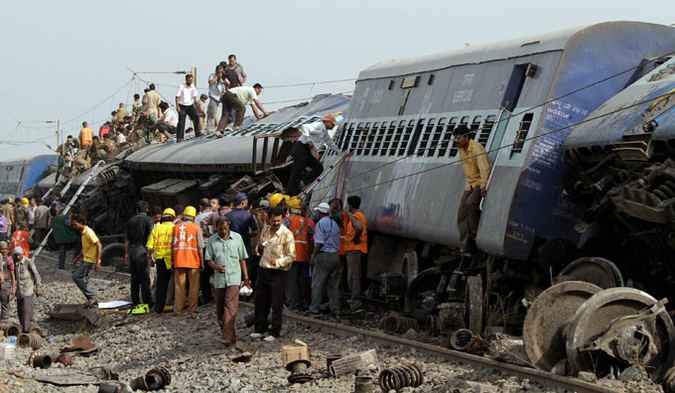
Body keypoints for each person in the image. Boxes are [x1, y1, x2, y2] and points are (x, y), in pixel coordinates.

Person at [251, 207, 296, 341]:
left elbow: (291, 256)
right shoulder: (265, 230)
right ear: (269, 219)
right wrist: (259, 248)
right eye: (274, 220)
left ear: (282, 219)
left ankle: (275, 331)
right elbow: (258, 249)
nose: (276, 223)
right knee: (260, 300)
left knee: (276, 303)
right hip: (263, 269)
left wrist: (278, 261)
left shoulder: (287, 234)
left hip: (278, 272)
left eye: (278, 221)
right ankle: (260, 328)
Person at [205, 216, 250, 345]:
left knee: (230, 307)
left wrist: (246, 278)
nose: (223, 231)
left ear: (228, 226)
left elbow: (242, 258)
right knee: (220, 311)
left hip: (234, 278)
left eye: (225, 228)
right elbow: (209, 259)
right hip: (219, 280)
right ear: (216, 228)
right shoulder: (212, 241)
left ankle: (226, 336)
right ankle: (231, 336)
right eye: (221, 229)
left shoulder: (237, 238)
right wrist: (216, 267)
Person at [453, 125, 491, 255]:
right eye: (455, 138)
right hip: (469, 183)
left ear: (467, 137)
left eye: (459, 138)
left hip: (479, 181)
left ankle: (474, 234)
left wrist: (483, 186)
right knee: (461, 213)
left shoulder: (476, 148)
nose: (456, 141)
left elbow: (484, 168)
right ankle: (465, 245)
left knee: (471, 204)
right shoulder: (461, 149)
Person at [285, 114, 345, 196]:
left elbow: (330, 143)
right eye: (332, 124)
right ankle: (288, 194)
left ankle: (304, 181)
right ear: (327, 122)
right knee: (297, 173)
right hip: (301, 149)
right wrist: (309, 140)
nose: (333, 126)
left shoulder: (324, 132)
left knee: (318, 167)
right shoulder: (318, 125)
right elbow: (304, 127)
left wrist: (341, 152)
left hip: (306, 151)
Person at [308, 202, 341, 316]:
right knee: (333, 285)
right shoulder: (335, 224)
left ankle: (314, 308)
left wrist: (313, 255)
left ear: (320, 212)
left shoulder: (320, 224)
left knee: (318, 283)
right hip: (335, 256)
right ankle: (335, 308)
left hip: (324, 256)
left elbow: (319, 243)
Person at [171, 206, 204, 316]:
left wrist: (172, 260)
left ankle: (178, 310)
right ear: (194, 218)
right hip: (193, 260)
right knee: (194, 286)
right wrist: (202, 262)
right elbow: (200, 247)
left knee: (179, 286)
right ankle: (191, 309)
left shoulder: (175, 228)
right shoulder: (196, 228)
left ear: (183, 216)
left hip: (179, 260)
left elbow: (172, 246)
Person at [125, 201, 155, 314]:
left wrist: (126, 254)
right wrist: (150, 253)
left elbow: (127, 240)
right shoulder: (148, 220)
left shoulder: (130, 221)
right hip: (143, 252)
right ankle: (147, 302)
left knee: (134, 279)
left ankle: (135, 302)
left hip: (132, 251)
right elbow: (150, 237)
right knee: (145, 279)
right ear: (147, 209)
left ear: (136, 210)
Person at [146, 208, 175, 314]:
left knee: (160, 284)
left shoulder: (156, 229)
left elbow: (149, 247)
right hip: (172, 259)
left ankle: (159, 307)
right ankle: (171, 303)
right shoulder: (175, 228)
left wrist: (150, 259)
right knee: (174, 283)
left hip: (160, 259)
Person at [283, 197, 309, 311]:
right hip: (302, 254)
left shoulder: (289, 220)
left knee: (291, 280)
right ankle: (300, 303)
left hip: (292, 254)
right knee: (299, 280)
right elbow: (310, 233)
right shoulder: (304, 220)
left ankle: (291, 303)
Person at [70, 213, 101, 308]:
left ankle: (92, 296)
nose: (74, 227)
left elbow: (99, 245)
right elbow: (85, 248)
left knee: (76, 276)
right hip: (86, 258)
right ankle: (93, 303)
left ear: (81, 222)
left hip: (90, 260)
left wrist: (97, 261)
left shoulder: (88, 232)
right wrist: (77, 258)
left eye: (75, 224)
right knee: (84, 280)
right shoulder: (83, 233)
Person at [344, 196, 368, 312]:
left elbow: (359, 227)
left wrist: (355, 239)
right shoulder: (361, 215)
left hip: (354, 249)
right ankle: (355, 300)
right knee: (355, 276)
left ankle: (355, 302)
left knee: (353, 277)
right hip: (358, 250)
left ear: (350, 205)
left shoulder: (354, 217)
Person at [13, 246, 41, 333]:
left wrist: (38, 287)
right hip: (19, 291)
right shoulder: (16, 264)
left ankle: (26, 331)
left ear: (22, 254)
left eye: (19, 255)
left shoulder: (28, 262)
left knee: (27, 310)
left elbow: (36, 275)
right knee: (20, 310)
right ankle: (22, 328)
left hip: (28, 289)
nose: (18, 257)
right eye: (16, 255)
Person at [175, 74, 202, 142]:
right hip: (182, 106)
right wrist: (177, 106)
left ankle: (198, 132)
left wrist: (197, 106)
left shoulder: (193, 86)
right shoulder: (182, 86)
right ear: (186, 80)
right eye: (189, 80)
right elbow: (177, 97)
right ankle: (179, 137)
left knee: (196, 117)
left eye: (191, 80)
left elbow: (194, 97)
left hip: (190, 105)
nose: (190, 81)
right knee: (181, 122)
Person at [207, 65, 226, 131]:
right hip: (213, 96)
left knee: (226, 111)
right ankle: (210, 129)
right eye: (219, 71)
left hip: (221, 96)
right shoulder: (212, 75)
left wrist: (223, 78)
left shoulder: (224, 76)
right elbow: (211, 82)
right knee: (212, 113)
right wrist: (217, 76)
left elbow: (228, 84)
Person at [0, 241, 16, 320]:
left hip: (5, 284)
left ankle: (4, 324)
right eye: (2, 249)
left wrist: (13, 288)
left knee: (5, 305)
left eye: (5, 249)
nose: (4, 251)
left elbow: (13, 275)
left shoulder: (9, 260)